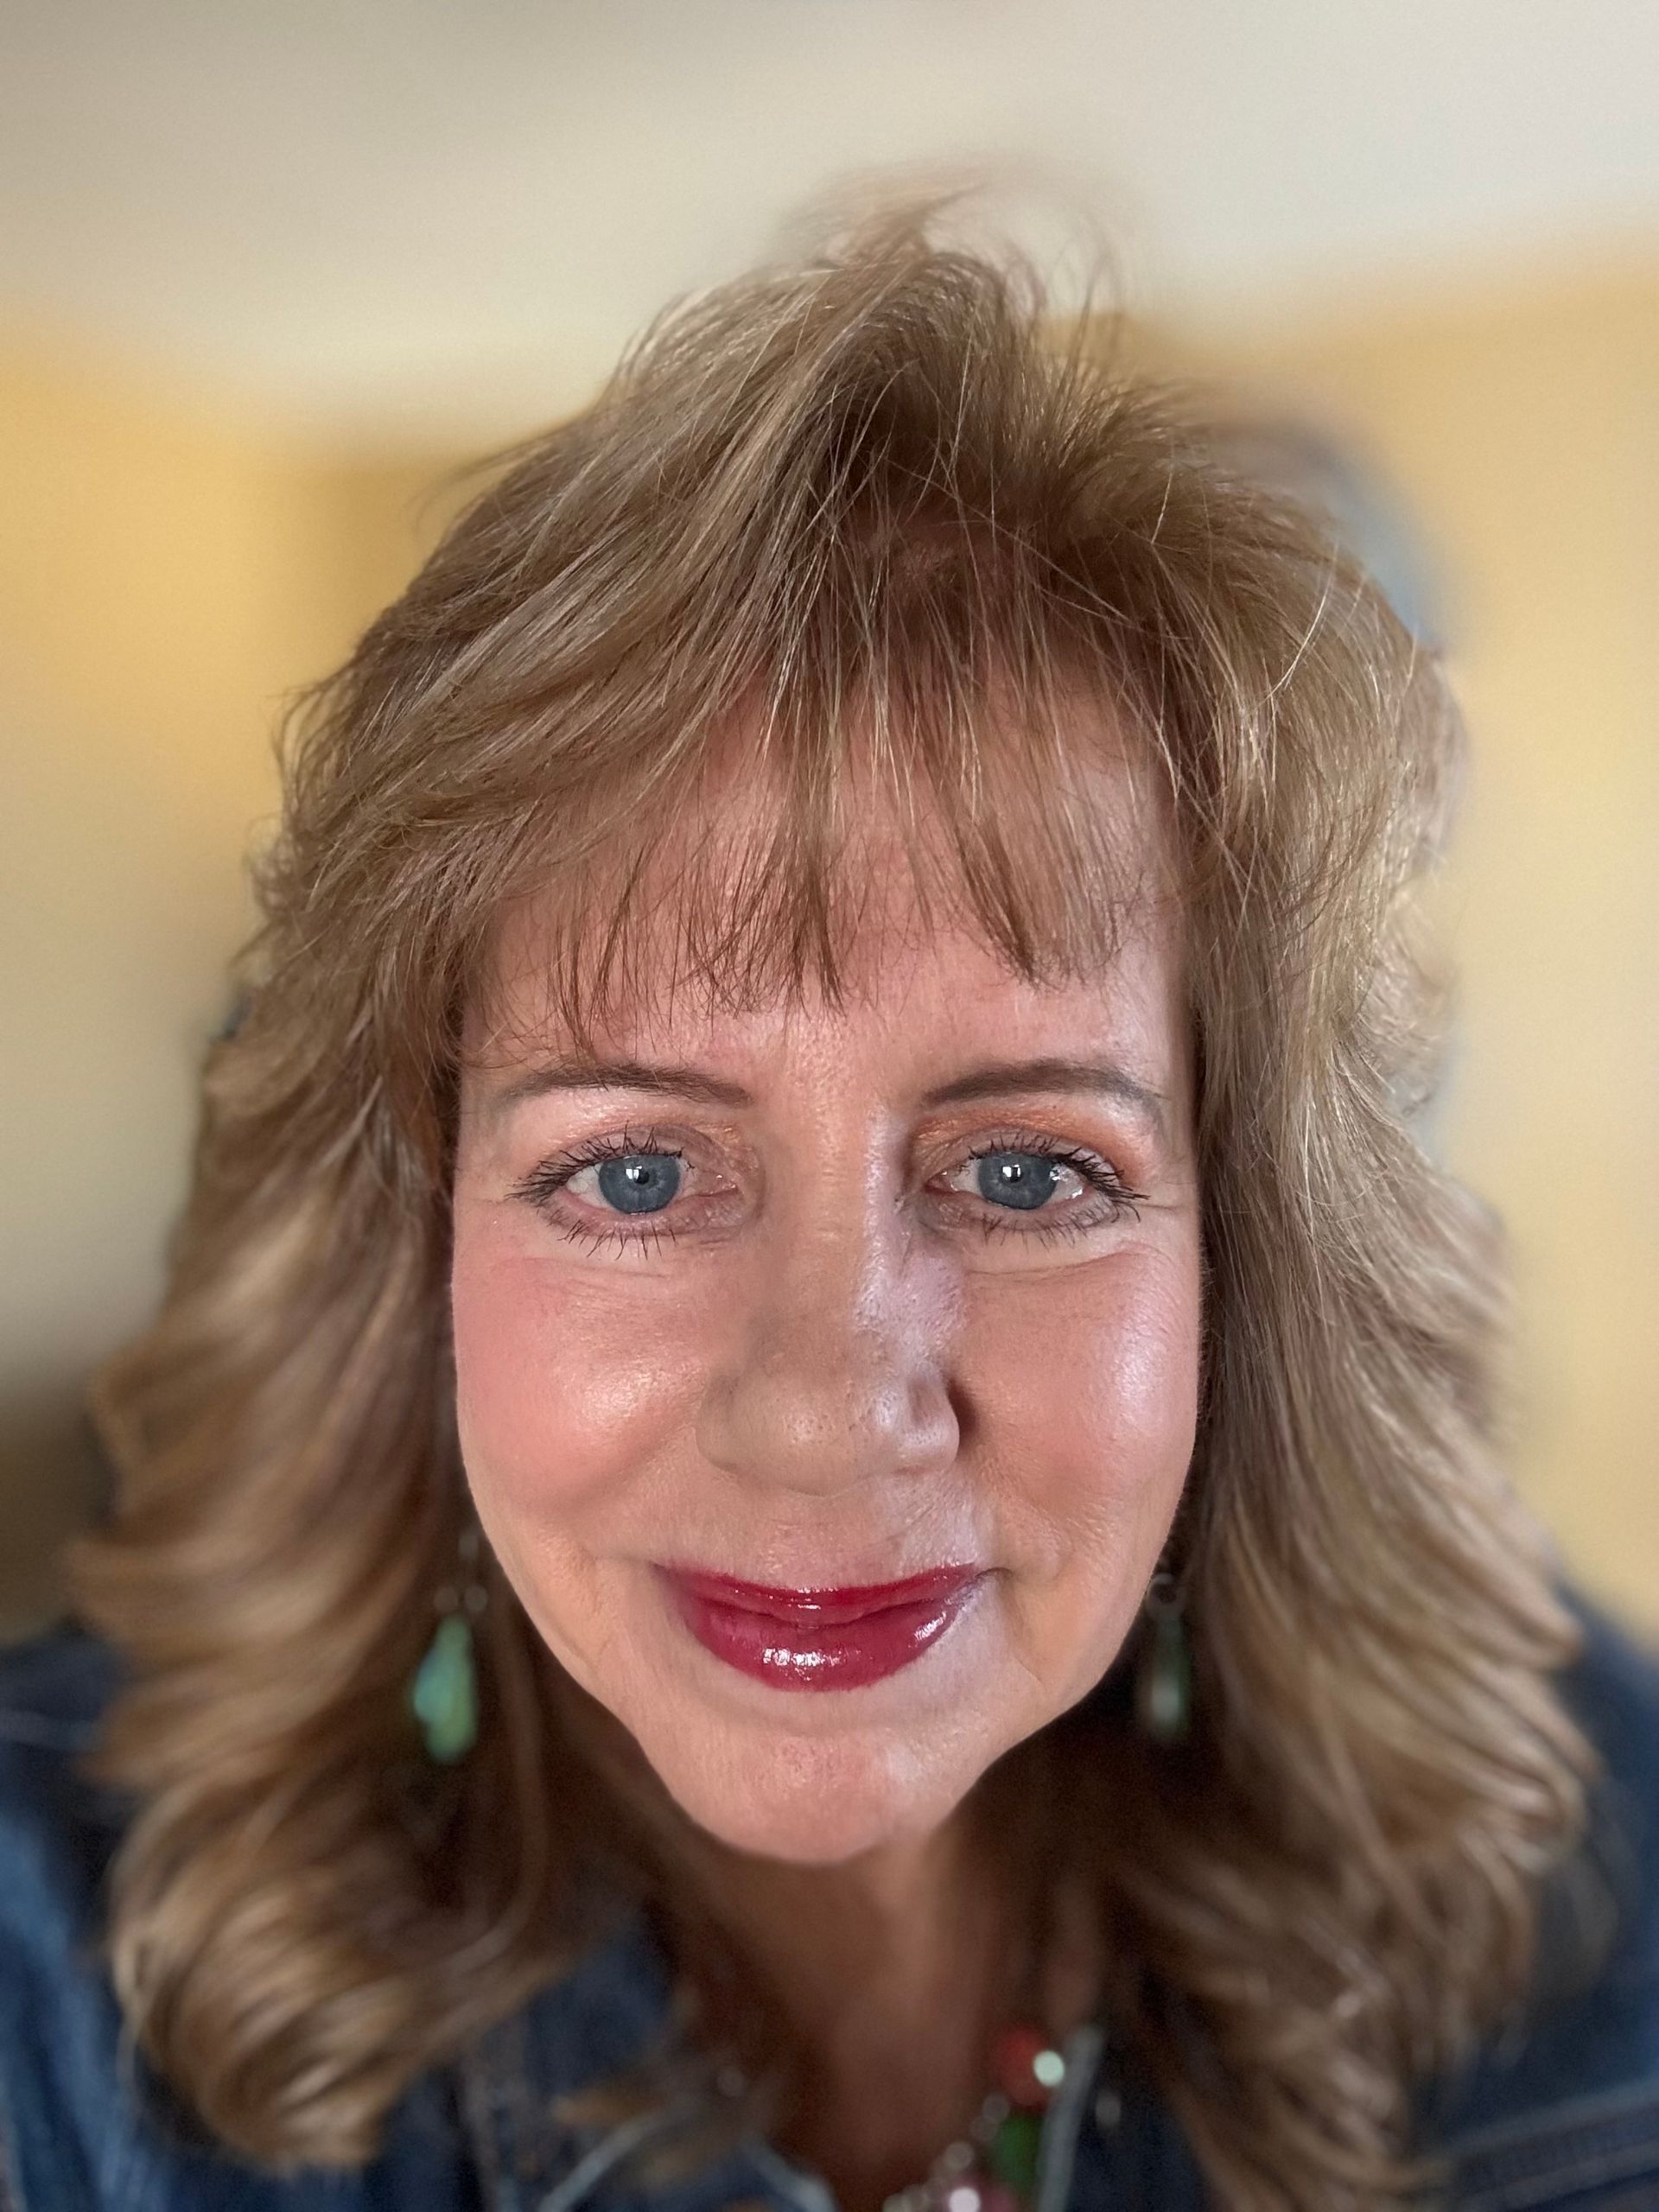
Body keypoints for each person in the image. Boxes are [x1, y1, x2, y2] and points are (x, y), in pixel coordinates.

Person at [3, 203, 1657, 2212]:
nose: (823, 1399)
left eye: (1032, 1168)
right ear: (416, 1248)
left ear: (1250, 1262)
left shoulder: (1579, 1838)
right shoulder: (55, 1982)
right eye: (633, 1171)